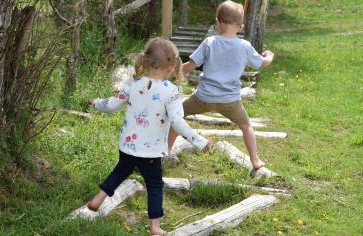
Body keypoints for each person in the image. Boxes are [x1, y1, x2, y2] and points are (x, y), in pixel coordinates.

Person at [86, 38, 210, 236]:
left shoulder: (133, 84)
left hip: (127, 146)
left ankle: (98, 199)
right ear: (171, 66)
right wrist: (200, 141)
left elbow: (111, 104)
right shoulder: (171, 92)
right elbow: (178, 123)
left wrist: (95, 103)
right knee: (154, 185)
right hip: (150, 152)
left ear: (146, 61)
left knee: (119, 171)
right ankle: (155, 227)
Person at [168, 0, 274, 170]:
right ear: (240, 27)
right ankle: (255, 160)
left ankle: (165, 151)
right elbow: (262, 63)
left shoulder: (209, 42)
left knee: (177, 115)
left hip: (203, 97)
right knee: (246, 125)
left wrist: (171, 73)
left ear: (217, 22)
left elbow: (189, 66)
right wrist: (270, 56)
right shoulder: (245, 46)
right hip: (230, 101)